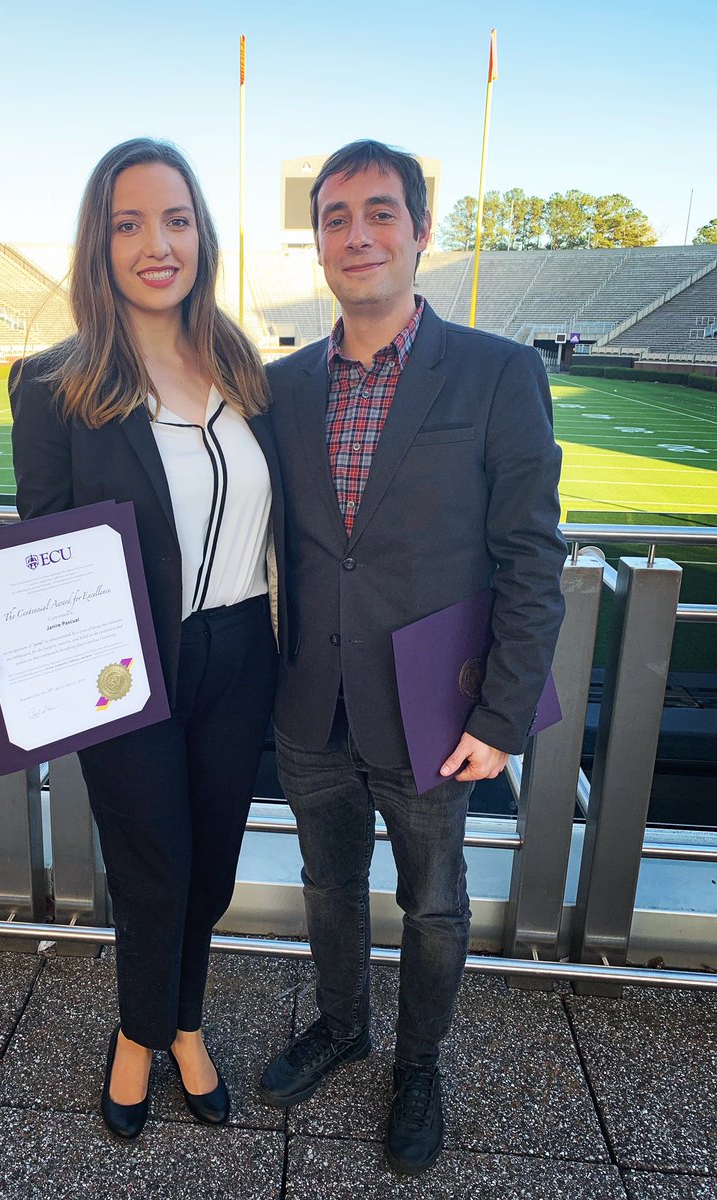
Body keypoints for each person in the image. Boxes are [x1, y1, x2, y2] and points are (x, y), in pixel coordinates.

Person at [0, 137, 283, 1141]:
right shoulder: (54, 383)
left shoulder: (238, 360)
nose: (156, 243)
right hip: (124, 667)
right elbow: (31, 550)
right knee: (152, 868)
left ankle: (183, 1019)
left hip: (241, 658)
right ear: (100, 243)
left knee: (211, 867)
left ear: (201, 233)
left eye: (175, 219)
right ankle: (145, 1039)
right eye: (128, 222)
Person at [258, 140, 565, 1175]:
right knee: (327, 885)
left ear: (422, 232)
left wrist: (505, 714)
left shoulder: (499, 372)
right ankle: (343, 1024)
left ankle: (418, 1062)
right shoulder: (280, 385)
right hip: (311, 703)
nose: (358, 234)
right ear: (318, 243)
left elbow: (531, 554)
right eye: (336, 217)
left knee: (433, 902)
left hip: (438, 711)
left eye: (380, 212)